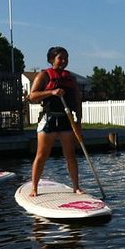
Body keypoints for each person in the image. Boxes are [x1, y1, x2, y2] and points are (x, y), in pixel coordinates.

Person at [28, 46, 83, 197]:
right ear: (52, 59)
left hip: (66, 119)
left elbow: (78, 101)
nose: (64, 61)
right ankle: (34, 187)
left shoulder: (70, 78)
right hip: (49, 119)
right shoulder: (44, 75)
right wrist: (51, 92)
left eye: (66, 58)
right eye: (60, 58)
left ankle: (76, 187)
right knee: (42, 154)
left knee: (70, 154)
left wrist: (79, 121)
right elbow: (32, 96)